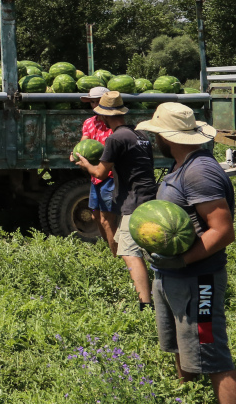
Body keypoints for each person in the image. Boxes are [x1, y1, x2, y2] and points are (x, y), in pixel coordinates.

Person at [135, 103, 236, 403]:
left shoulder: (199, 171)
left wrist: (182, 259)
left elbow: (222, 231)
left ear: (167, 138)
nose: (156, 140)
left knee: (213, 358)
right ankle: (187, 397)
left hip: (198, 281)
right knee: (183, 350)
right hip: (172, 275)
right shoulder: (183, 165)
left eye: (157, 134)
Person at [71, 91, 157, 311]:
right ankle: (160, 290)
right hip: (149, 194)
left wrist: (85, 164)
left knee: (130, 252)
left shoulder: (115, 138)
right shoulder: (139, 135)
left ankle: (145, 304)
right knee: (147, 248)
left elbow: (100, 173)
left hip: (133, 199)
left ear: (107, 116)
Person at [80, 86, 119, 252]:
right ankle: (110, 248)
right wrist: (76, 154)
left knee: (106, 219)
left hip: (110, 176)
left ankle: (117, 256)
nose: (94, 105)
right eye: (92, 102)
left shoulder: (113, 124)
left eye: (97, 101)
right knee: (96, 216)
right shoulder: (89, 123)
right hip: (95, 176)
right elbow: (83, 144)